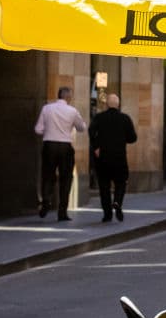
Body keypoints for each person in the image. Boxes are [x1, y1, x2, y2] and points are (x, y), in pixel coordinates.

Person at [34, 86, 87, 220]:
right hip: (65, 147)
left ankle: (45, 200)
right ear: (68, 97)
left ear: (58, 95)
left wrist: (49, 131)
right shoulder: (72, 111)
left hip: (49, 145)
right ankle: (62, 212)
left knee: (47, 175)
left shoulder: (47, 108)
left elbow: (38, 129)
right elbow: (82, 127)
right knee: (66, 179)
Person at [88, 92, 137, 223]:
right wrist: (122, 138)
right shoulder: (125, 118)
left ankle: (107, 214)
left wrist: (96, 146)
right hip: (119, 156)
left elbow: (91, 131)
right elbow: (133, 138)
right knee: (121, 182)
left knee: (104, 186)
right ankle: (117, 202)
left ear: (106, 104)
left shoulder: (99, 117)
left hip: (103, 157)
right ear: (118, 104)